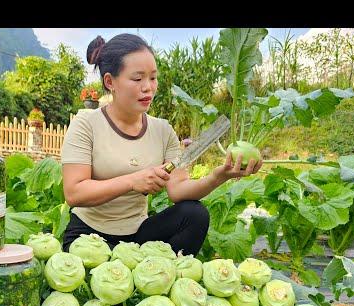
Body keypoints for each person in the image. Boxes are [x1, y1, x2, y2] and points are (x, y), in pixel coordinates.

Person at [60, 33, 263, 256]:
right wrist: (132, 181)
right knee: (111, 282)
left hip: (138, 235)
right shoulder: (86, 124)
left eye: (153, 78)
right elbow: (74, 192)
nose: (148, 88)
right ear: (110, 82)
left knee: (194, 214)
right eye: (137, 79)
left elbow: (177, 190)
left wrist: (219, 176)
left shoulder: (162, 130)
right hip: (89, 235)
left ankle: (168, 276)